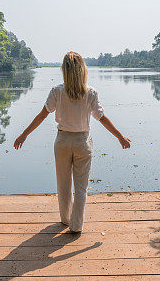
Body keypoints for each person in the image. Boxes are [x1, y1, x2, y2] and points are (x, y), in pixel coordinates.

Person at [14, 52, 130, 233]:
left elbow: (42, 115)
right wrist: (120, 137)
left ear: (64, 70)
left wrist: (24, 134)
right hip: (82, 141)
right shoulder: (90, 92)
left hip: (62, 141)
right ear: (82, 69)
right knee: (81, 187)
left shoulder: (57, 91)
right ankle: (76, 226)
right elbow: (102, 118)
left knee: (63, 184)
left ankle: (66, 219)